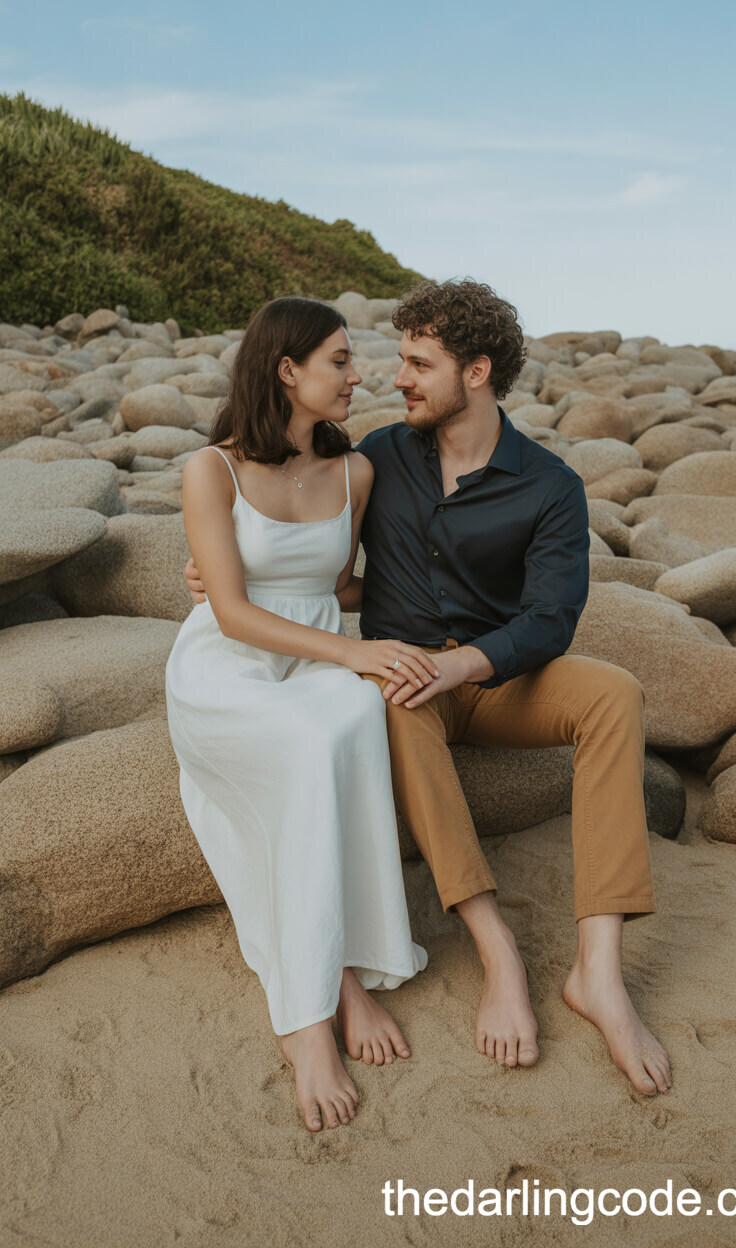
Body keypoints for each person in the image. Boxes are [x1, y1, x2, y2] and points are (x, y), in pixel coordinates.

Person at [187, 278, 672, 1097]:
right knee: (394, 697)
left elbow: (552, 620)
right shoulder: (376, 458)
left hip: (496, 675)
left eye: (419, 363)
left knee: (614, 693)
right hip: (410, 673)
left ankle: (601, 973)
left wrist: (465, 662)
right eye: (393, 360)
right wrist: (232, 581)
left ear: (476, 372)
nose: (395, 378)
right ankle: (498, 954)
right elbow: (330, 575)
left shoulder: (550, 485)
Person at [165, 297, 429, 1136]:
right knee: (312, 736)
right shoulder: (213, 471)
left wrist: (416, 619)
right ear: (288, 371)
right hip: (226, 666)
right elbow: (235, 612)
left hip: (313, 653)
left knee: (353, 718)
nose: (359, 378)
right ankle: (310, 1015)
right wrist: (354, 650)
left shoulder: (355, 473)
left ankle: (342, 965)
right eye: (342, 361)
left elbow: (343, 588)